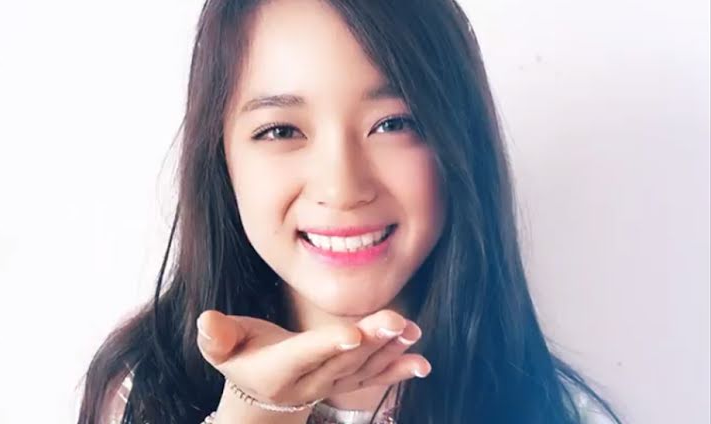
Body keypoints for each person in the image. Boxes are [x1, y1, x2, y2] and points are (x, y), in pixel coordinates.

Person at [78, 0, 622, 423]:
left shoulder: (554, 411)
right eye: (281, 130)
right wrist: (258, 411)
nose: (342, 188)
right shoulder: (144, 390)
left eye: (394, 124)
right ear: (221, 161)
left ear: (461, 144)